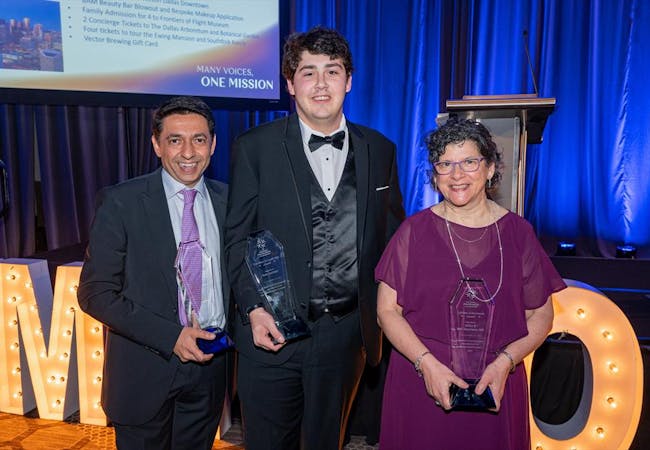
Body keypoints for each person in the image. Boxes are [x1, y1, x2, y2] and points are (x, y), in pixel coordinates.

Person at [225, 26, 405, 450]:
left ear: (349, 80)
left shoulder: (380, 149)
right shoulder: (254, 147)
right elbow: (236, 240)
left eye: (332, 71)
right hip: (271, 334)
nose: (321, 84)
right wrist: (253, 308)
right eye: (308, 72)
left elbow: (394, 240)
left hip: (346, 337)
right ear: (290, 84)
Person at [375, 118, 566, 450]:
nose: (457, 174)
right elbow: (387, 312)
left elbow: (541, 315)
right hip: (423, 384)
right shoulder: (413, 232)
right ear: (435, 175)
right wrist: (426, 365)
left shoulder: (519, 233)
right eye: (445, 164)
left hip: (495, 384)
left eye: (469, 162)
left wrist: (506, 362)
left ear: (490, 168)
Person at [77, 96, 230, 450]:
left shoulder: (230, 201)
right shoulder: (121, 202)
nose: (188, 152)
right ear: (156, 145)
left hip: (209, 373)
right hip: (142, 373)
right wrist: (172, 336)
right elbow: (95, 292)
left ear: (213, 144)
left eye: (199, 139)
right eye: (175, 140)